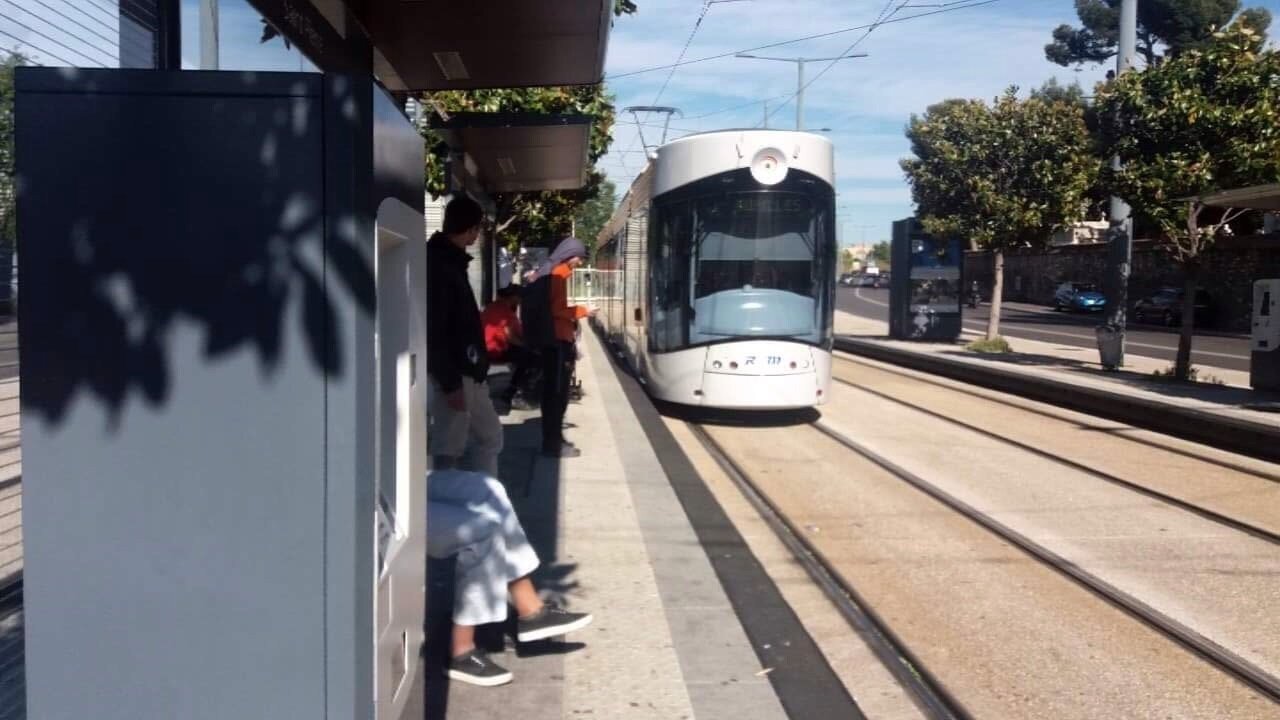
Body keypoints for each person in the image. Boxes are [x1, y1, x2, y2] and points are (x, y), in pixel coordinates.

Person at [428, 468, 593, 686]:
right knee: (482, 529)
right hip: (376, 500)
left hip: (397, 475)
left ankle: (530, 609)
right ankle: (461, 651)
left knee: (488, 490)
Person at [426, 196, 502, 478]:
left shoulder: (449, 262)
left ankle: (487, 501)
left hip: (470, 372)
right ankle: (445, 509)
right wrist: (449, 383)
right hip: (456, 375)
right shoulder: (439, 265)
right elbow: (433, 329)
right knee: (449, 448)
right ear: (471, 229)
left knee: (490, 436)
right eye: (477, 229)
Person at [534, 236, 593, 458]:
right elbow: (557, 311)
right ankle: (553, 443)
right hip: (557, 342)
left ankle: (554, 439)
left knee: (553, 393)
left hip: (553, 341)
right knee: (556, 394)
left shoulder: (553, 272)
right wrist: (583, 311)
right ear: (569, 254)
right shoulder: (557, 275)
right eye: (579, 257)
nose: (580, 262)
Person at [482, 285, 538, 410]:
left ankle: (514, 391)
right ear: (513, 297)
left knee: (526, 355)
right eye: (519, 297)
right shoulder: (504, 310)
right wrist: (527, 345)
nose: (520, 300)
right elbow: (510, 336)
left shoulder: (495, 306)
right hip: (494, 349)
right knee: (530, 359)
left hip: (487, 347)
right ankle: (513, 394)